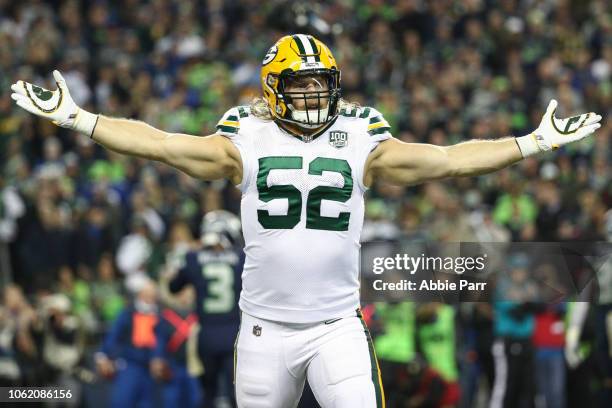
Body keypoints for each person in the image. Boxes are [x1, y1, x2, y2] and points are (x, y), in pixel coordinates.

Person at [10, 33, 602, 407]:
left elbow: (445, 161)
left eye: (323, 84)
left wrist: (529, 143)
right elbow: (163, 143)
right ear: (273, 90)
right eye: (303, 85)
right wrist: (82, 120)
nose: (316, 95)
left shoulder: (361, 134)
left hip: (336, 326)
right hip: (264, 328)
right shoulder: (244, 134)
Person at [166, 210, 243, 407]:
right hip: (234, 335)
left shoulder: (193, 259)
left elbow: (173, 287)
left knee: (208, 394)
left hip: (206, 336)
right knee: (237, 395)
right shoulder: (241, 259)